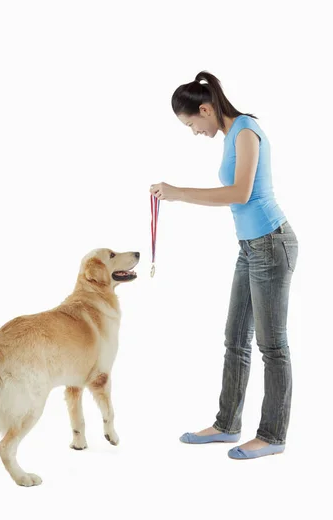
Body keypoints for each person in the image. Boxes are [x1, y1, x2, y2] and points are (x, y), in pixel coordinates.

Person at [150, 71, 298, 460]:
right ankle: (227, 424)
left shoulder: (246, 129)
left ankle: (272, 435)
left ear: (205, 108)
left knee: (272, 346)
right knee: (235, 339)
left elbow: (240, 192)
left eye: (192, 124)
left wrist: (179, 193)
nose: (195, 132)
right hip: (250, 248)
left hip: (272, 243)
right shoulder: (232, 134)